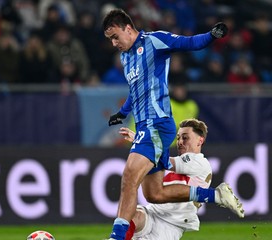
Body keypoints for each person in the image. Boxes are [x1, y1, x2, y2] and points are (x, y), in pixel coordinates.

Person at [102, 9, 244, 240]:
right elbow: (135, 90)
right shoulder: (125, 57)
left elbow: (189, 43)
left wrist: (212, 35)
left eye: (116, 36)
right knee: (154, 194)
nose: (114, 42)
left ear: (128, 28)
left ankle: (116, 238)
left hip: (157, 124)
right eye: (110, 39)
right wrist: (123, 112)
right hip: (144, 124)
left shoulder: (154, 41)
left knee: (129, 176)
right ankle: (216, 196)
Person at [120, 119, 211, 240]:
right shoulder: (173, 162)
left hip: (170, 224)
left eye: (185, 138)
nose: (180, 142)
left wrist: (141, 142)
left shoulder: (200, 162)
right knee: (132, 216)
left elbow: (164, 160)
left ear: (200, 140)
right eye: (178, 138)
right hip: (152, 212)